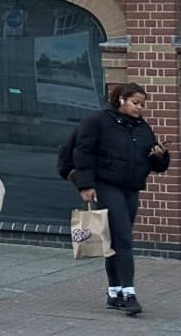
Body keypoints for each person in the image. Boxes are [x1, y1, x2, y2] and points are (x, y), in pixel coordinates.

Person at [73, 82, 170, 317]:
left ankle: (113, 291)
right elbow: (82, 151)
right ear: (121, 100)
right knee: (124, 238)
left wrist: (160, 156)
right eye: (136, 103)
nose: (140, 108)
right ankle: (129, 293)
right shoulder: (99, 121)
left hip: (131, 188)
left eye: (143, 105)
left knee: (115, 241)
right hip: (107, 186)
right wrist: (85, 185)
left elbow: (154, 164)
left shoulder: (142, 128)